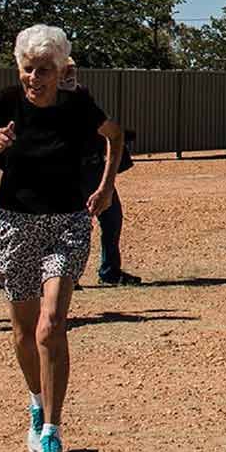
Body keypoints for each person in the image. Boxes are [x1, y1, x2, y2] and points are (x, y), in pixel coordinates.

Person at [0, 24, 123, 452]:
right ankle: (35, 400)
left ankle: (52, 430)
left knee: (52, 325)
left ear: (60, 69)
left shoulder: (77, 105)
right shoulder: (6, 103)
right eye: (28, 69)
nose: (35, 78)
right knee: (24, 332)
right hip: (14, 222)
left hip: (65, 222)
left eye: (44, 70)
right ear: (19, 68)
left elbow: (115, 135)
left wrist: (105, 188)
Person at [61, 60, 141, 286]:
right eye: (65, 69)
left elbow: (103, 128)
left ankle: (110, 271)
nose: (70, 73)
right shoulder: (49, 100)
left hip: (95, 168)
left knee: (112, 219)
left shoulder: (82, 96)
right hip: (71, 173)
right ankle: (66, 276)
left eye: (72, 69)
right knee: (75, 226)